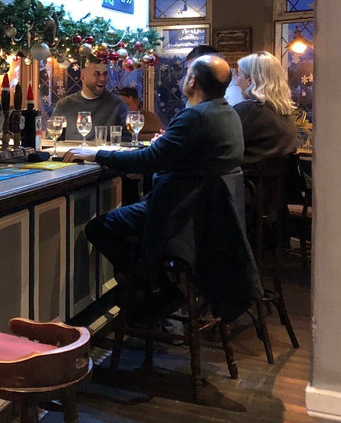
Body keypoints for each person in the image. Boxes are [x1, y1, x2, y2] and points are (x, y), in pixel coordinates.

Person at [64, 55, 261, 320]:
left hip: (179, 214)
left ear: (192, 81)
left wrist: (96, 154)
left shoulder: (194, 116)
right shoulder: (228, 113)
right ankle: (153, 284)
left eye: (186, 74)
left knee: (100, 228)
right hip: (206, 216)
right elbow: (181, 154)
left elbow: (148, 160)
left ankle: (154, 287)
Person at [233, 52, 298, 167]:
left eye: (239, 74)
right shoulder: (284, 112)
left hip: (248, 177)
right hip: (280, 178)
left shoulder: (249, 111)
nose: (236, 81)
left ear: (250, 80)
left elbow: (222, 146)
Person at [51, 60, 127, 140]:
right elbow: (52, 138)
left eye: (105, 74)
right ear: (83, 76)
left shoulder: (117, 105)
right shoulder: (64, 105)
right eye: (97, 74)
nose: (102, 79)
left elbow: (128, 140)